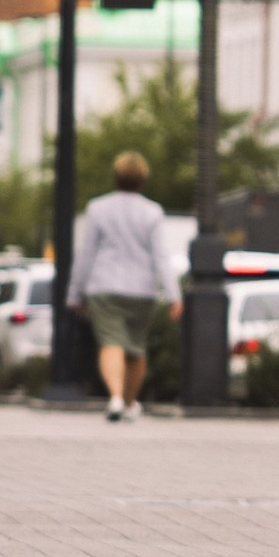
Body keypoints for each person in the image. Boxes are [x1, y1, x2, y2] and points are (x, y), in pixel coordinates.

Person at [67, 150, 186, 421]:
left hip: (105, 286)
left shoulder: (98, 208)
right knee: (136, 349)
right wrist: (174, 296)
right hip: (142, 289)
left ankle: (116, 398)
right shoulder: (152, 212)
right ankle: (130, 402)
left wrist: (75, 293)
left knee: (111, 343)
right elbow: (161, 256)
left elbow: (86, 254)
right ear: (143, 179)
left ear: (115, 177)